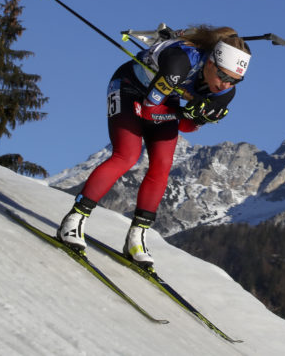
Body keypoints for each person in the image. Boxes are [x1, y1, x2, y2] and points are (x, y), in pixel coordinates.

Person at [56, 25, 252, 266]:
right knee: (126, 155)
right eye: (223, 76)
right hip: (129, 87)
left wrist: (198, 118)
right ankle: (74, 219)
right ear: (210, 63)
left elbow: (185, 127)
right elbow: (149, 112)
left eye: (235, 81)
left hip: (164, 101)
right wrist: (184, 112)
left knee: (162, 165)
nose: (225, 85)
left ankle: (137, 237)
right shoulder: (180, 63)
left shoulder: (225, 93)